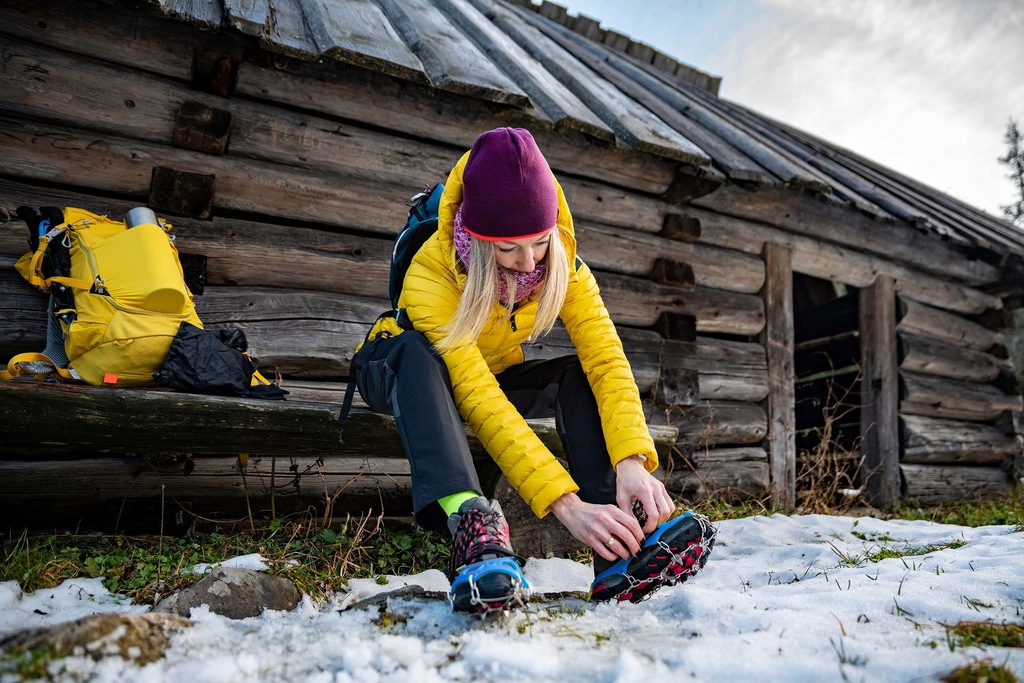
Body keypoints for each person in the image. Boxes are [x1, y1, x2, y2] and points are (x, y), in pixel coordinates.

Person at [352, 127, 715, 613]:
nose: (529, 263)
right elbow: (477, 395)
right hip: (405, 375)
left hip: (488, 373)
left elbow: (607, 360)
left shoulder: (562, 265)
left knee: (580, 372)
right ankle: (474, 533)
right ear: (479, 242)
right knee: (417, 354)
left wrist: (632, 462)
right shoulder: (430, 274)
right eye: (508, 249)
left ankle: (618, 545)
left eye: (539, 242)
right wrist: (564, 505)